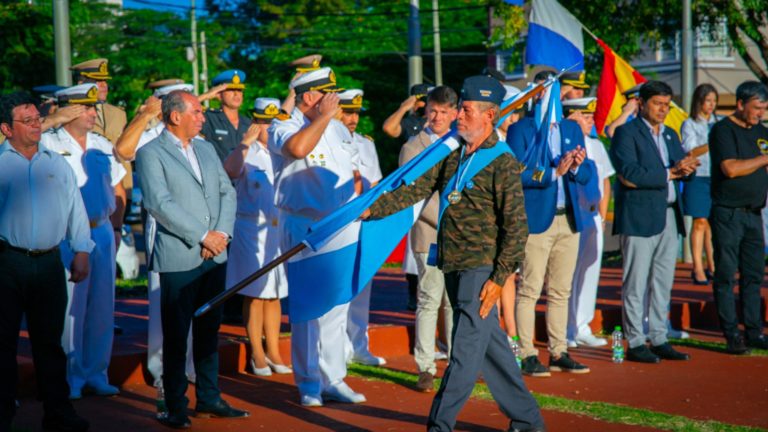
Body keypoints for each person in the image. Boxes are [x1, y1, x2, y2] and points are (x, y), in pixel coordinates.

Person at [367, 75, 544, 432]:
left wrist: (498, 278)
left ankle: (439, 425)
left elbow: (516, 228)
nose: (457, 116)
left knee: (462, 355)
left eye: (465, 110)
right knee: (493, 350)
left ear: (489, 115)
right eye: (459, 109)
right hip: (451, 264)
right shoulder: (455, 152)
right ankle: (528, 420)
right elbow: (416, 189)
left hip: (479, 271)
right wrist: (372, 208)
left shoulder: (501, 162)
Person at [136, 90, 247, 428]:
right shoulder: (150, 153)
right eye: (197, 112)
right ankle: (175, 405)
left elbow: (227, 191)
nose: (203, 117)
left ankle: (210, 398)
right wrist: (202, 236)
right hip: (179, 255)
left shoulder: (206, 148)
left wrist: (221, 235)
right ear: (175, 116)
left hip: (215, 254)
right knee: (176, 334)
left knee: (209, 331)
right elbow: (159, 202)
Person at [267, 67, 366, 407]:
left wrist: (363, 195)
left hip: (341, 221)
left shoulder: (338, 128)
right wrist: (321, 119)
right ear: (309, 97)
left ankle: (333, 377)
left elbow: (353, 171)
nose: (335, 101)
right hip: (304, 225)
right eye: (328, 94)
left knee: (338, 304)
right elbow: (296, 149)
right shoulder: (283, 125)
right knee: (309, 307)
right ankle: (309, 382)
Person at [0, 91, 94, 432]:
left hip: (50, 264)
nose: (35, 126)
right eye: (26, 121)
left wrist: (82, 250)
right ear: (6, 129)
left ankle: (58, 412)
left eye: (37, 119)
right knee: (3, 344)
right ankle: (3, 414)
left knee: (50, 344)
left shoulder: (57, 162)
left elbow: (75, 208)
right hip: (7, 263)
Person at [114, 81, 197, 412]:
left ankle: (187, 366)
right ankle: (163, 371)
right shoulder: (150, 137)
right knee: (165, 299)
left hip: (198, 230)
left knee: (191, 300)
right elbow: (122, 151)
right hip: (163, 226)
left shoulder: (196, 141)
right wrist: (143, 116)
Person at [40, 84, 126, 399]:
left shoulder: (102, 144)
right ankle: (70, 377)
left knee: (103, 306)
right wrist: (50, 120)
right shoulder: (46, 142)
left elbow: (118, 188)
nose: (93, 113)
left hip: (102, 229)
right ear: (70, 109)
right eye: (87, 108)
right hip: (66, 233)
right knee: (70, 309)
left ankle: (96, 373)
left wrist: (116, 230)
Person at [507, 80, 596, 378]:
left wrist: (574, 166)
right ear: (536, 95)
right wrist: (550, 173)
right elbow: (515, 170)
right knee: (529, 288)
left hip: (568, 218)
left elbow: (584, 174)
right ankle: (528, 353)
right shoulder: (522, 128)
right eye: (545, 91)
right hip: (536, 221)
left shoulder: (571, 129)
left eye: (555, 90)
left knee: (560, 290)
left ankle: (559, 351)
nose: (551, 96)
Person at [609, 80, 698, 363]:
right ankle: (635, 340)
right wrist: (671, 173)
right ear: (642, 103)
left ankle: (659, 336)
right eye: (658, 104)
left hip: (669, 214)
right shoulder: (626, 133)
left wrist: (686, 169)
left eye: (667, 105)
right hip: (638, 216)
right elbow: (628, 174)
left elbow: (679, 166)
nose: (663, 109)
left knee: (663, 281)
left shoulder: (670, 134)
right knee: (635, 281)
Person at [395, 86, 459, 391]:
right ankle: (425, 367)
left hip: (461, 235)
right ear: (426, 110)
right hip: (430, 231)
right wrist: (446, 218)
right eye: (433, 110)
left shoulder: (463, 143)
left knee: (455, 301)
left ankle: (457, 363)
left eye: (445, 111)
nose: (438, 116)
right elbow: (411, 195)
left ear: (455, 113)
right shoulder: (413, 147)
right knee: (429, 298)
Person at [222, 97, 291, 377]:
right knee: (255, 294)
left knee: (275, 295)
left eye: (276, 123)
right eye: (267, 123)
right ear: (256, 123)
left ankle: (273, 350)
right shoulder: (246, 151)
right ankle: (257, 353)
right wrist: (245, 143)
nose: (272, 128)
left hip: (278, 229)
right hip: (251, 229)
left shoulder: (281, 152)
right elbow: (231, 171)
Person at [708, 80, 768, 353]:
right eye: (756, 108)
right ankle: (731, 334)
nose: (760, 114)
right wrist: (764, 159)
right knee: (725, 275)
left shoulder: (761, 132)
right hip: (728, 214)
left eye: (764, 109)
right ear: (741, 104)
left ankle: (754, 331)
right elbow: (730, 168)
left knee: (754, 275)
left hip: (754, 214)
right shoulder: (723, 130)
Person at [335, 89, 388, 366]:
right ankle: (339, 347)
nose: (353, 118)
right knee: (340, 288)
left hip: (364, 223)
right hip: (339, 224)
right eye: (347, 111)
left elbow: (377, 184)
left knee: (362, 285)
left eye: (356, 112)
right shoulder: (328, 142)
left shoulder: (367, 144)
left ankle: (359, 345)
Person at [562, 97, 615, 348]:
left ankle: (582, 326)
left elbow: (605, 181)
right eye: (585, 116)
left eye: (590, 116)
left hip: (593, 215)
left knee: (590, 272)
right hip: (574, 213)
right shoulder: (565, 142)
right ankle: (566, 328)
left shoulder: (595, 144)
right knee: (569, 274)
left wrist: (602, 217)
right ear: (571, 117)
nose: (590, 120)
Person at [681, 84, 719, 285]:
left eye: (714, 101)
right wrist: (712, 142)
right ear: (699, 101)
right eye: (708, 100)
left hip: (716, 176)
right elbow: (690, 150)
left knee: (712, 223)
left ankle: (712, 264)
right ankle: (697, 266)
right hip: (698, 176)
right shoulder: (689, 124)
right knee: (700, 222)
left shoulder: (718, 122)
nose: (711, 105)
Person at [71, 58, 126, 146]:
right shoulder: (70, 114)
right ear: (81, 83)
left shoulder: (119, 114)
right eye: (98, 81)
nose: (104, 85)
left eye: (105, 81)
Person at [201, 69, 253, 162]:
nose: (236, 94)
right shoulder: (208, 118)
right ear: (219, 95)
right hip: (219, 174)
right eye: (231, 90)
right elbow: (178, 113)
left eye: (239, 90)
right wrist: (205, 96)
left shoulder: (248, 123)